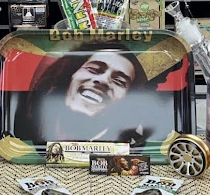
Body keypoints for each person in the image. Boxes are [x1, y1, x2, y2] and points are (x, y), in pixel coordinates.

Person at [14, 42, 148, 143]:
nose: (103, 80)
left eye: (119, 81)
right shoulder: (21, 133)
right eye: (94, 69)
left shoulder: (131, 146)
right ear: (69, 76)